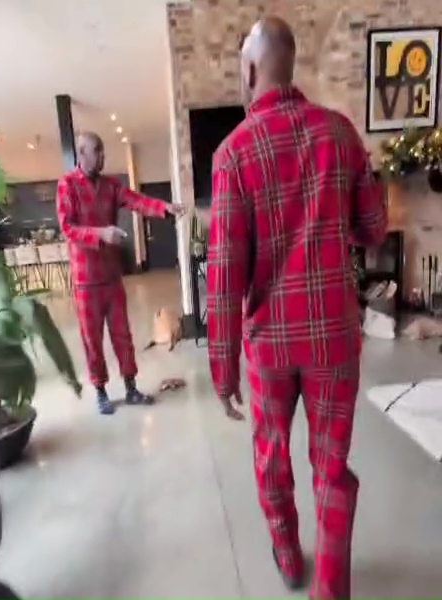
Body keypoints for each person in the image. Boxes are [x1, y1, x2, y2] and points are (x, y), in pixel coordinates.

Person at [206, 17, 387, 600]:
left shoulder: (232, 154)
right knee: (331, 465)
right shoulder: (341, 133)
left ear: (252, 69)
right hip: (335, 335)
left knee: (271, 452)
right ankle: (332, 588)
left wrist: (221, 365)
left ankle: (287, 550)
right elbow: (373, 230)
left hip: (270, 346)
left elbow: (225, 273)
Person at [56, 132, 186, 415]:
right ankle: (101, 390)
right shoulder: (67, 186)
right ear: (82, 153)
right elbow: (68, 229)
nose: (103, 156)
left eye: (103, 150)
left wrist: (164, 208)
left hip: (111, 277)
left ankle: (131, 388)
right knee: (92, 340)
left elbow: (136, 201)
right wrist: (101, 233)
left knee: (122, 335)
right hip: (85, 282)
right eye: (97, 150)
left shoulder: (111, 185)